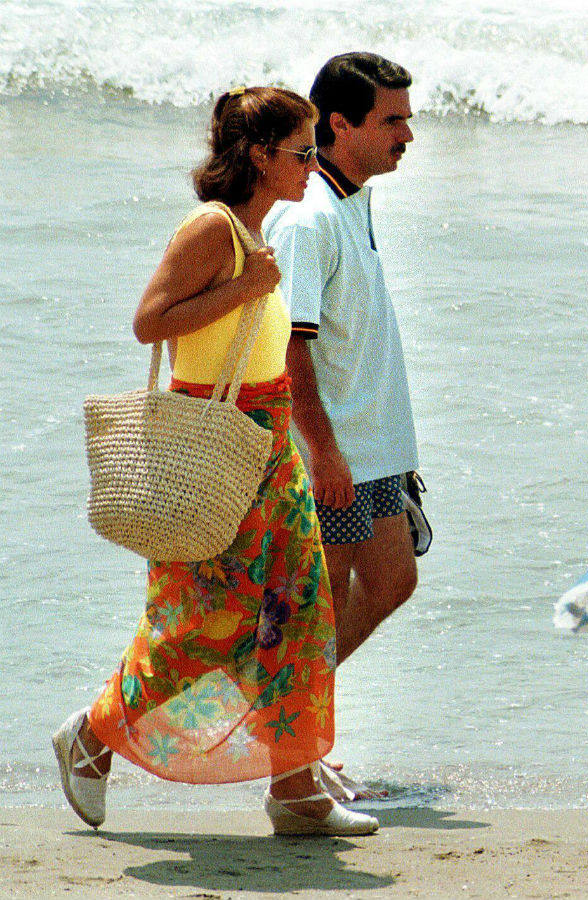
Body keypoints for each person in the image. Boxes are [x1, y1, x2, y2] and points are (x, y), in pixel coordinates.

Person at [52, 86, 377, 837]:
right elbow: (148, 323)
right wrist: (245, 286)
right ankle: (93, 738)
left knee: (298, 611)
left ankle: (295, 791)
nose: (312, 165)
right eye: (300, 152)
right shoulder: (214, 229)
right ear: (259, 155)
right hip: (216, 444)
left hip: (268, 445)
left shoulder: (260, 231)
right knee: (208, 620)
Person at [264, 53, 420, 674]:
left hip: (372, 447)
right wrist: (322, 451)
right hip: (331, 453)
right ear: (341, 124)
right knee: (305, 614)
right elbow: (287, 345)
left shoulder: (352, 199)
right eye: (392, 121)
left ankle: (295, 733)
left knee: (390, 582)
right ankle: (294, 755)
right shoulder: (308, 219)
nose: (407, 135)